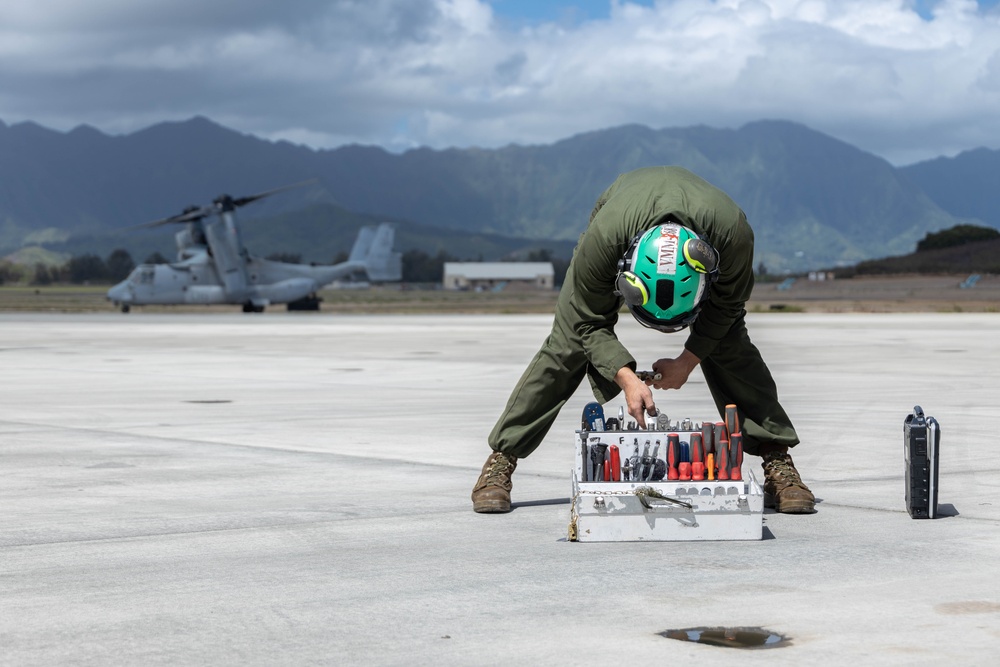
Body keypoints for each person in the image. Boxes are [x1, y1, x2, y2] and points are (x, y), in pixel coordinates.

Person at [471, 165, 815, 515]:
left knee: (729, 343)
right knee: (566, 345)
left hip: (706, 226)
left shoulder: (731, 237)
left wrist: (687, 361)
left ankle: (778, 463)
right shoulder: (604, 242)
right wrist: (626, 377)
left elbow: (726, 309)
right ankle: (501, 459)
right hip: (619, 220)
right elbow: (588, 322)